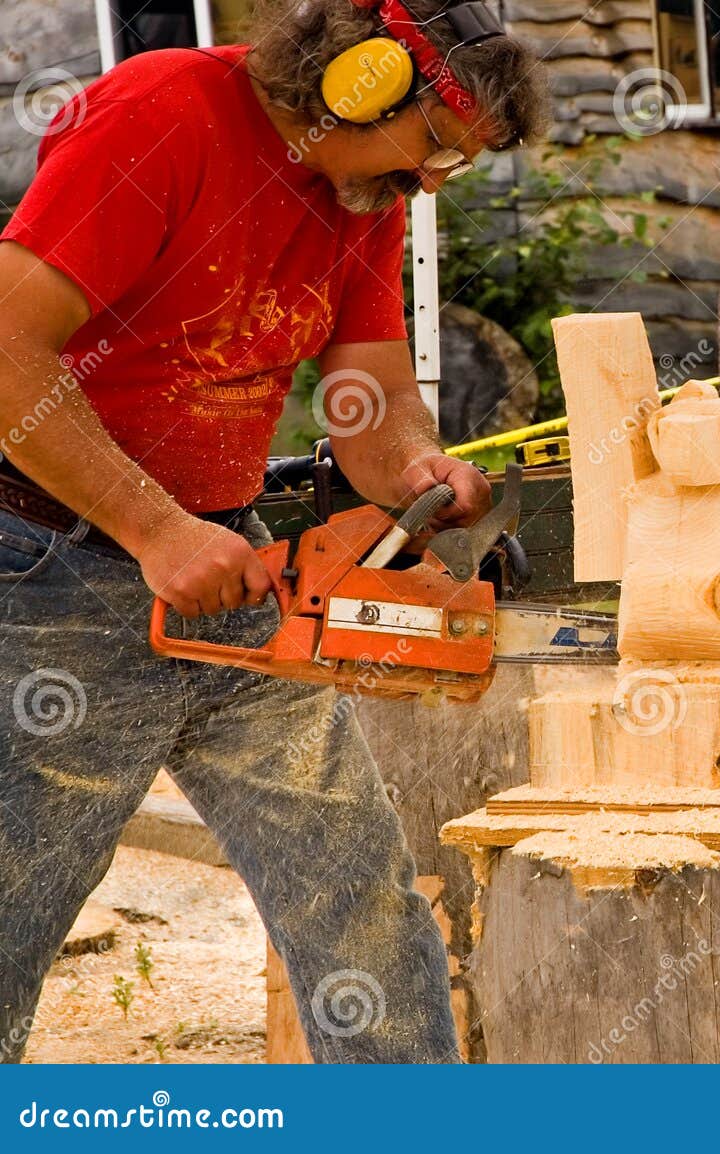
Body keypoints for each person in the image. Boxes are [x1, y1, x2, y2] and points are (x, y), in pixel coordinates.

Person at [0, 0, 545, 1062]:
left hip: (238, 572)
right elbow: (9, 344)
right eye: (434, 143)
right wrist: (154, 527)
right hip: (51, 570)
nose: (433, 178)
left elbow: (372, 391)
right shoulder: (161, 113)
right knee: (15, 910)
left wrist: (415, 472)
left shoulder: (362, 188)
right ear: (361, 81)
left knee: (363, 901)